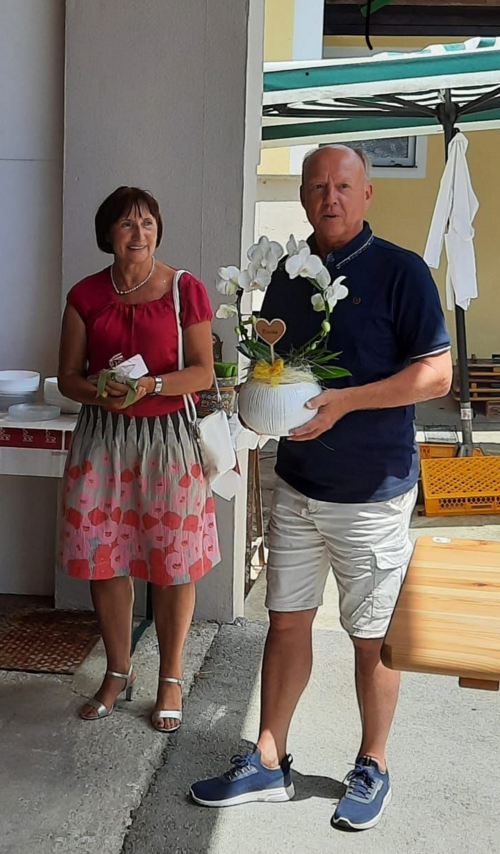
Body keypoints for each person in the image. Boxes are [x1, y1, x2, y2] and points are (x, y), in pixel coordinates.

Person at [190, 146, 452, 829]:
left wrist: (347, 401)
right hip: (298, 484)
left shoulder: (401, 271)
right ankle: (269, 758)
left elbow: (437, 374)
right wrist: (252, 408)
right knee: (286, 620)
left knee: (372, 636)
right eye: (316, 187)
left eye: (342, 185)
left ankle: (372, 762)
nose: (328, 197)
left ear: (366, 194)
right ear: (304, 197)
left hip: (372, 491)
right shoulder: (286, 274)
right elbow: (278, 365)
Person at [58, 186, 220, 731]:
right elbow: (68, 377)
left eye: (148, 223)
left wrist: (151, 385)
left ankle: (170, 677)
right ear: (107, 233)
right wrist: (97, 390)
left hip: (167, 441)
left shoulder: (184, 290)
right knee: (104, 558)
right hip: (102, 440)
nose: (139, 233)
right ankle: (117, 671)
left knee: (172, 562)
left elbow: (203, 372)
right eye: (127, 224)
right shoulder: (85, 294)